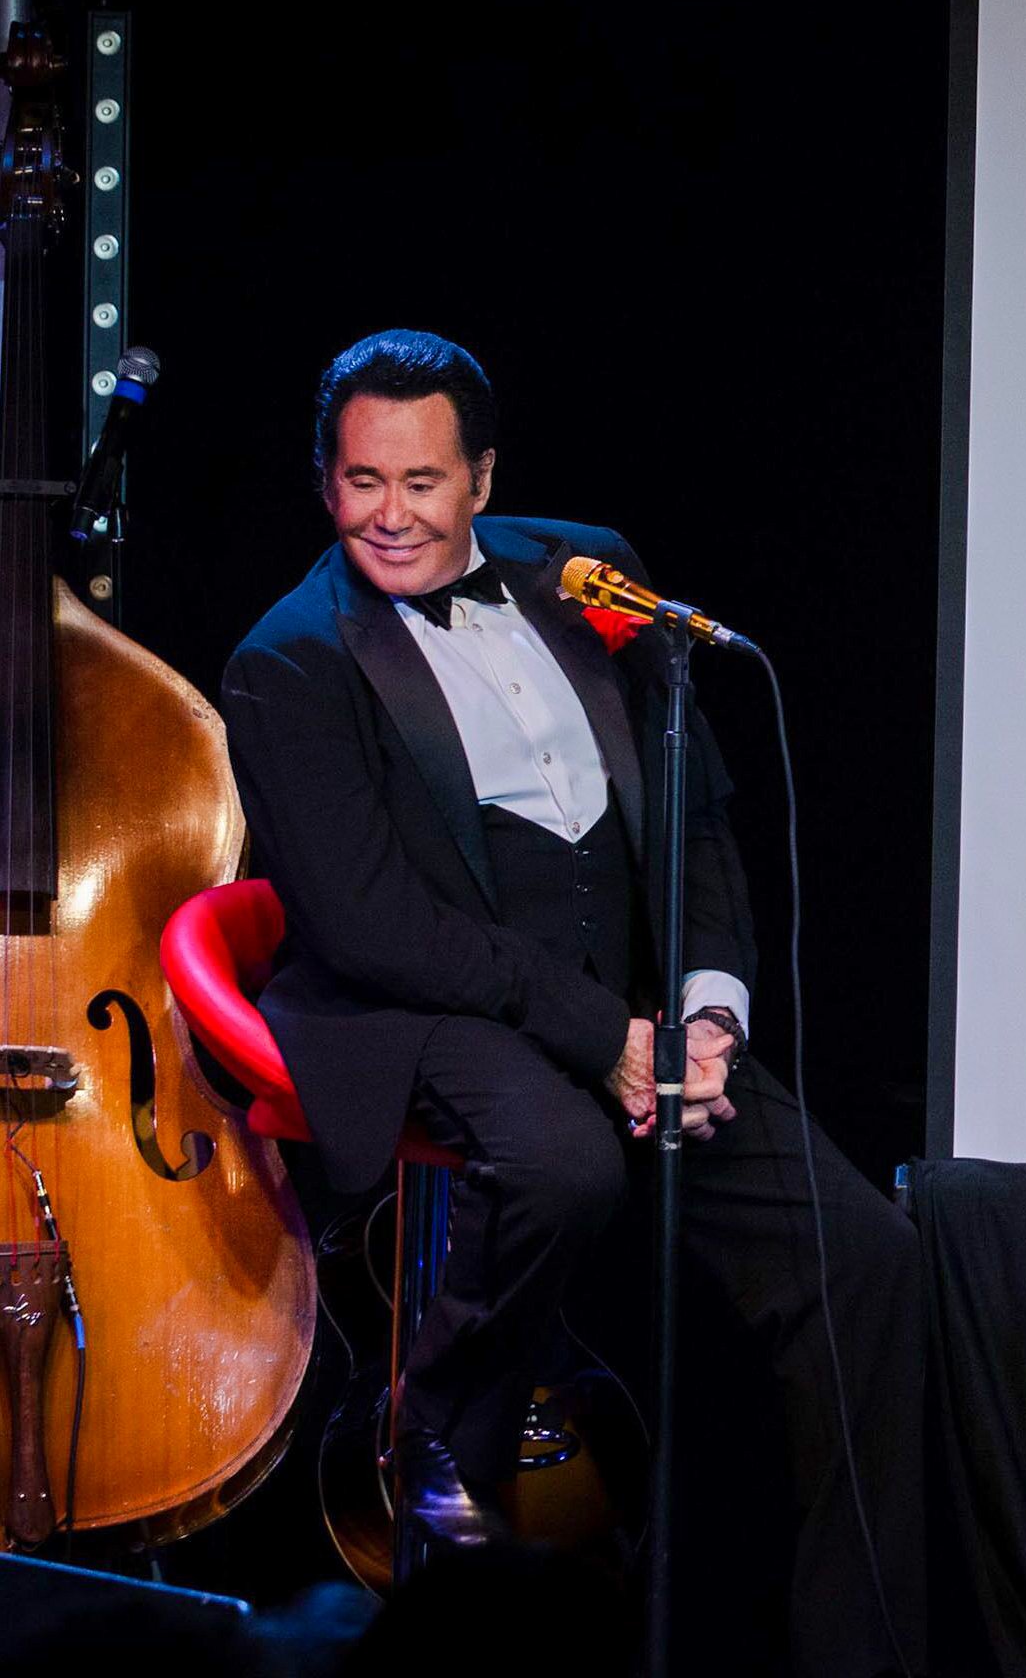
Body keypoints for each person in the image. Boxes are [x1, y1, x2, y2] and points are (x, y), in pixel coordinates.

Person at [219, 329, 925, 1678]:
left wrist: (706, 1018)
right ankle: (438, 1420)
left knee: (871, 1267)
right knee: (565, 1164)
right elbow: (376, 925)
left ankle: (858, 1643)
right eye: (363, 481)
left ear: (482, 477)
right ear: (326, 483)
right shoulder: (289, 660)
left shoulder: (588, 573)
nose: (392, 515)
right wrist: (607, 1041)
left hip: (644, 1016)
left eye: (422, 482)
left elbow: (699, 821)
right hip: (426, 1004)